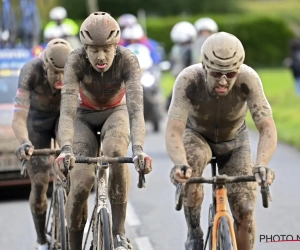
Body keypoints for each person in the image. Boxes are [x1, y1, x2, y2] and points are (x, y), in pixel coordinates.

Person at [165, 32, 276, 250]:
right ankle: (194, 231)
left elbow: (267, 127)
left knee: (245, 209)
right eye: (216, 74)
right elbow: (174, 131)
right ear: (204, 66)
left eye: (231, 73)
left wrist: (261, 164)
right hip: (197, 136)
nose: (223, 81)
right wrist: (180, 163)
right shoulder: (188, 79)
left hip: (235, 140)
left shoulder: (248, 79)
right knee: (191, 166)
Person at [54, 12, 152, 250]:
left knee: (116, 151)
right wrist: (65, 149)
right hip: (82, 117)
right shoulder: (75, 61)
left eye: (107, 49)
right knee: (80, 183)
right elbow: (66, 113)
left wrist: (138, 150)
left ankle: (118, 232)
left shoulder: (127, 60)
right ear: (84, 48)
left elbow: (136, 111)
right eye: (94, 50)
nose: (101, 56)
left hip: (114, 113)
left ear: (116, 46)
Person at [12, 38, 73, 250]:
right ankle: (42, 240)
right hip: (36, 122)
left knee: (76, 169)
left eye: (64, 72)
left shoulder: (78, 69)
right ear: (45, 65)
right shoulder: (31, 71)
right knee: (39, 182)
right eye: (55, 72)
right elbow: (19, 117)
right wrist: (24, 142)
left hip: (63, 119)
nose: (60, 78)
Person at [166, 21, 197, 110]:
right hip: (179, 77)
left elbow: (193, 62)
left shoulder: (193, 48)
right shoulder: (175, 49)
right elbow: (173, 63)